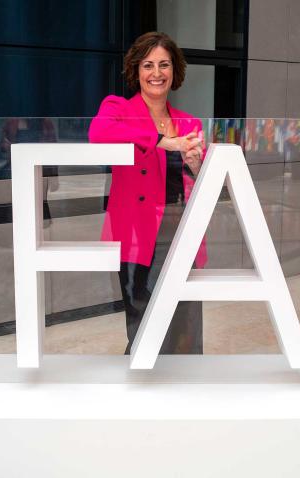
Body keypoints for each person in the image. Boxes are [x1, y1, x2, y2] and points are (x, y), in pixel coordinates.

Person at [89, 32, 206, 355]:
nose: (157, 73)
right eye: (148, 65)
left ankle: (182, 395)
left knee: (186, 322)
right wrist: (160, 139)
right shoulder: (118, 109)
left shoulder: (188, 122)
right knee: (144, 322)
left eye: (164, 64)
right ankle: (142, 394)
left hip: (180, 230)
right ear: (136, 71)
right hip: (137, 234)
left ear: (174, 70)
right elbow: (98, 133)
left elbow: (207, 185)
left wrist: (197, 166)